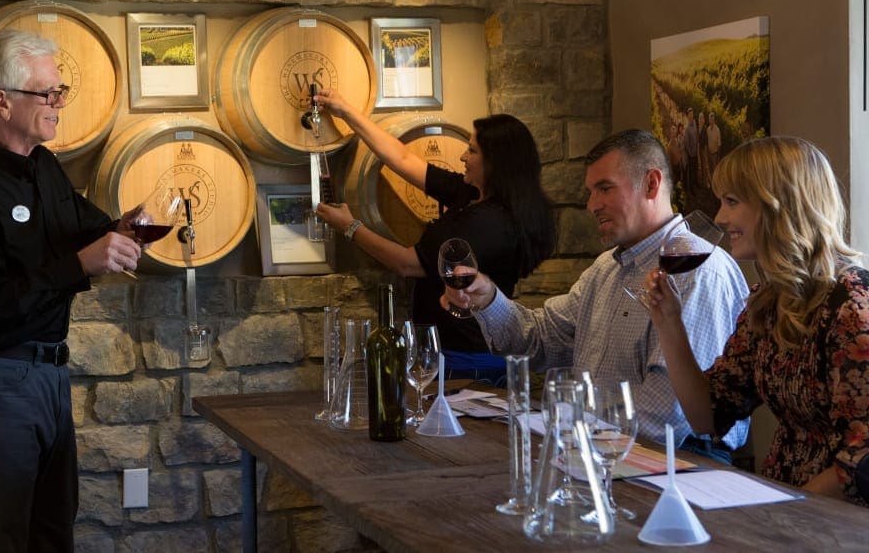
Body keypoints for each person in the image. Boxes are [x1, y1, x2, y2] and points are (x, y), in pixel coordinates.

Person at [0, 29, 144, 551]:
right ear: (2, 101)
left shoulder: (43, 166)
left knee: (51, 530)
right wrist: (78, 266)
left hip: (45, 377)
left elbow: (80, 230)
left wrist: (126, 228)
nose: (59, 103)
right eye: (48, 93)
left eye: (60, 91)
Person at [443, 129, 750, 460]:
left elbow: (666, 416)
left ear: (651, 184)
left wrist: (565, 424)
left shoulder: (699, 271)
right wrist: (487, 298)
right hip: (603, 447)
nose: (591, 205)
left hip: (682, 462)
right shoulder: (607, 268)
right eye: (590, 192)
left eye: (605, 189)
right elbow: (542, 340)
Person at [642, 136, 869, 506]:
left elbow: (862, 462)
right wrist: (669, 321)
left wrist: (776, 511)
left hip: (839, 521)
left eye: (732, 201)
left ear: (781, 206)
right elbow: (707, 416)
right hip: (786, 502)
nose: (719, 217)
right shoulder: (768, 300)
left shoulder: (853, 307)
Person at [314, 88, 556, 382]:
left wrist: (350, 228)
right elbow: (402, 159)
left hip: (469, 362)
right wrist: (346, 111)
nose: (463, 156)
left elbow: (407, 264)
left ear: (496, 162)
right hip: (463, 355)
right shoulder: (471, 194)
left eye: (473, 151)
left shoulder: (487, 221)